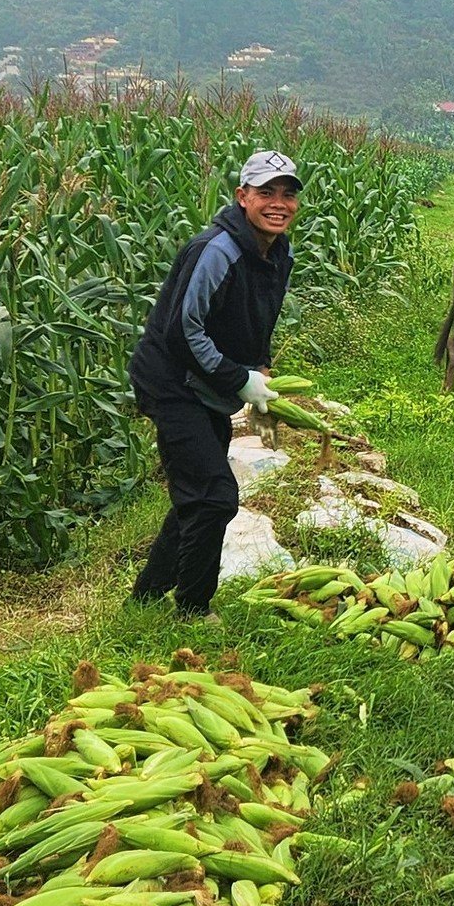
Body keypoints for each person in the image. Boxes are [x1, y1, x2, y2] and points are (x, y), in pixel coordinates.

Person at [126, 150, 302, 617]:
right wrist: (237, 379)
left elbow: (255, 321)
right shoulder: (217, 250)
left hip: (205, 384)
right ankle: (192, 608)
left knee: (198, 493)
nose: (278, 203)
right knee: (214, 497)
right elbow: (184, 331)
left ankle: (144, 599)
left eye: (287, 194)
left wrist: (257, 372)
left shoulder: (276, 252)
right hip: (173, 381)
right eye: (266, 193)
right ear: (242, 196)